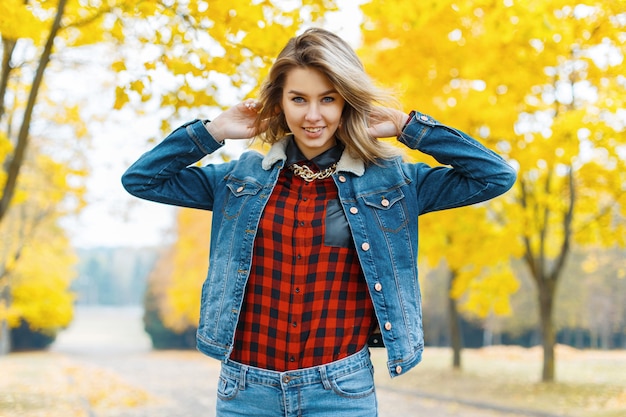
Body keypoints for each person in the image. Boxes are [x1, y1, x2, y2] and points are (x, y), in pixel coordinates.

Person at [122, 27, 516, 417]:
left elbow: (494, 175)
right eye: (299, 99)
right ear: (279, 103)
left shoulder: (395, 183)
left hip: (340, 392)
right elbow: (141, 179)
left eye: (328, 99)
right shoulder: (238, 180)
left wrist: (408, 127)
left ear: (347, 102)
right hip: (246, 392)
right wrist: (213, 131)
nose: (313, 115)